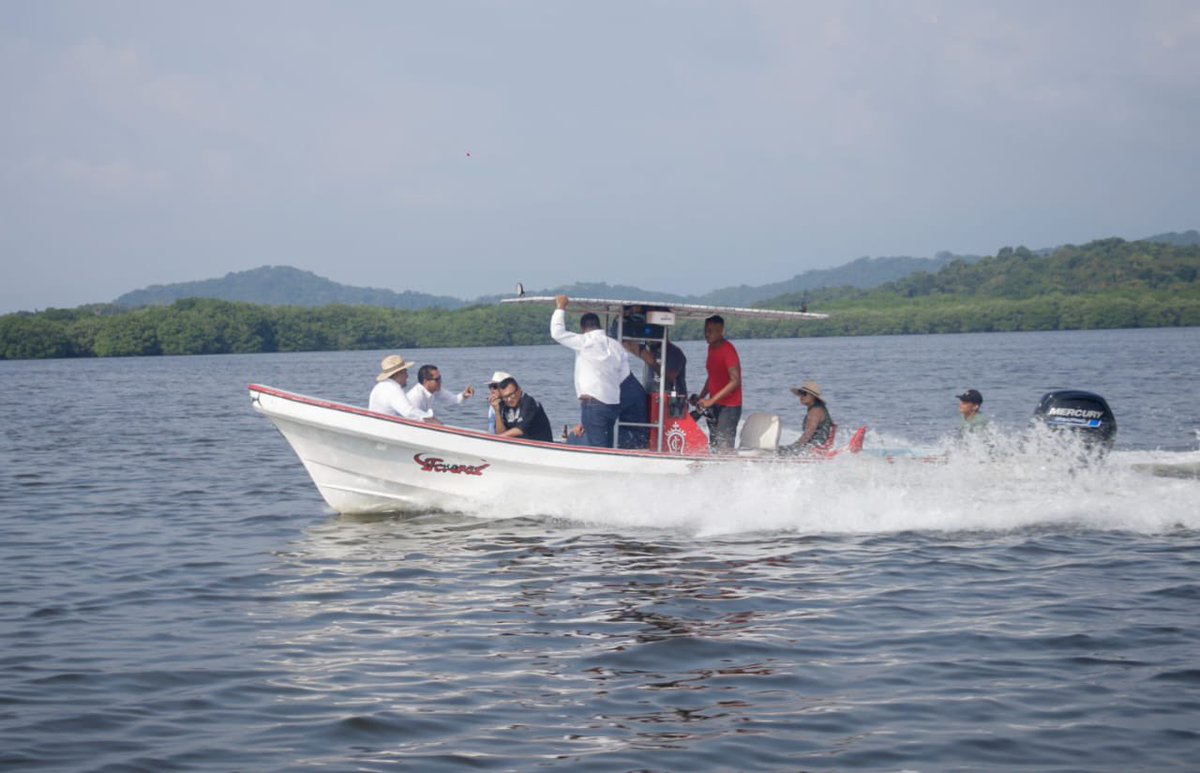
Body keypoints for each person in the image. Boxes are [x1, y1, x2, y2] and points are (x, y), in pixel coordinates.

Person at [550, 295, 627, 448]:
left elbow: (557, 333)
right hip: (612, 404)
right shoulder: (616, 346)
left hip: (593, 405)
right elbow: (623, 375)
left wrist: (560, 307)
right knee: (605, 444)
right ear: (599, 326)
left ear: (583, 329)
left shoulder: (585, 341)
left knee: (597, 448)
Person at [695, 314, 742, 452]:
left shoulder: (728, 350)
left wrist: (711, 400)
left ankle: (729, 465)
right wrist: (701, 396)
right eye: (705, 330)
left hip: (729, 407)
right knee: (714, 445)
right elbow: (712, 376)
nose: (707, 334)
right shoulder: (711, 348)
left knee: (724, 446)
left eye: (711, 331)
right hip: (715, 404)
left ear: (721, 331)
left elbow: (735, 380)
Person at [367, 354, 436, 421]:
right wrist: (431, 420)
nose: (407, 376)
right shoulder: (393, 388)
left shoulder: (380, 386)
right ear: (397, 374)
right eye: (405, 372)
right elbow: (409, 412)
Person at [490, 376, 553, 442]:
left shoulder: (529, 402)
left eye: (511, 395)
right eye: (505, 397)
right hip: (520, 444)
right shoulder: (505, 405)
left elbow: (520, 430)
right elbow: (501, 432)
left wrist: (496, 439)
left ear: (519, 390)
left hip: (540, 444)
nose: (509, 399)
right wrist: (497, 411)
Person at [406, 364, 474, 425]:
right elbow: (411, 418)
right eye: (437, 379)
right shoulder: (416, 396)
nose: (440, 381)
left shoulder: (435, 390)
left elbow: (454, 400)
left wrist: (464, 395)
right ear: (426, 381)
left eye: (440, 378)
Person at [780, 381, 834, 454]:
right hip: (816, 446)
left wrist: (794, 447)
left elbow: (807, 435)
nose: (801, 396)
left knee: (777, 450)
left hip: (814, 449)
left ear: (813, 396)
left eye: (804, 393)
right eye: (800, 393)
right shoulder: (818, 408)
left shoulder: (815, 411)